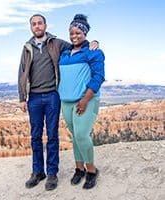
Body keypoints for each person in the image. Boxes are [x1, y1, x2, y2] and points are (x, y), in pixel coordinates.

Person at [18, 13, 98, 191]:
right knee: (35, 137)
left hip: (53, 95)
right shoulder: (27, 47)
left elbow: (78, 45)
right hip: (34, 98)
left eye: (40, 23)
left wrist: (95, 42)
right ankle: (38, 171)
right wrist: (22, 97)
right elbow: (22, 73)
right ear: (31, 27)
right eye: (34, 24)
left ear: (45, 25)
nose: (37, 26)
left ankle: (52, 173)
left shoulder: (57, 43)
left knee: (52, 136)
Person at [58, 14, 105, 190]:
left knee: (81, 135)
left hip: (85, 100)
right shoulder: (64, 54)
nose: (74, 36)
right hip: (66, 102)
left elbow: (98, 77)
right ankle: (79, 169)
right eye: (71, 32)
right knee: (75, 136)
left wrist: (85, 99)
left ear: (84, 33)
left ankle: (91, 170)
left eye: (78, 32)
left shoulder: (93, 52)